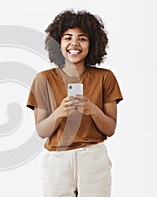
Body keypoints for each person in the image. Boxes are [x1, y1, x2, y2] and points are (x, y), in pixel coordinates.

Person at [26, 10, 123, 197]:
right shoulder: (44, 79)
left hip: (94, 157)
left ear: (92, 43)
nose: (74, 44)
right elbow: (41, 131)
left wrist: (93, 110)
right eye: (67, 38)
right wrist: (60, 112)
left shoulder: (105, 77)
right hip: (58, 159)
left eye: (83, 38)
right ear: (58, 43)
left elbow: (110, 129)